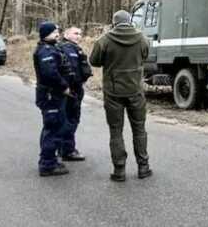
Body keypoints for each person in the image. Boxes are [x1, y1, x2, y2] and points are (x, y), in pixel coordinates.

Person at [90, 10, 151, 182]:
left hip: (113, 92)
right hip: (135, 91)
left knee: (116, 131)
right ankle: (143, 167)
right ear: (130, 21)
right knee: (139, 129)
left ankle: (119, 170)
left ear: (114, 22)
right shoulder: (142, 38)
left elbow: (94, 61)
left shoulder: (104, 40)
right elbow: (145, 56)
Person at [33, 22, 74, 177]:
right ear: (46, 34)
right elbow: (50, 73)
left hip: (55, 95)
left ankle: (50, 160)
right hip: (51, 95)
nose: (58, 34)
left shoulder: (52, 47)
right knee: (52, 128)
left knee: (56, 126)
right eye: (54, 31)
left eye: (58, 31)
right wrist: (64, 86)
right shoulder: (45, 50)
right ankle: (47, 164)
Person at [58, 26, 93, 161]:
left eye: (80, 33)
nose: (79, 36)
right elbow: (69, 71)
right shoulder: (66, 49)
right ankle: (67, 150)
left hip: (75, 88)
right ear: (66, 34)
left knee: (70, 118)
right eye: (75, 33)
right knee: (71, 119)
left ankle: (64, 148)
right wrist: (70, 87)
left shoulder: (74, 48)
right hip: (71, 90)